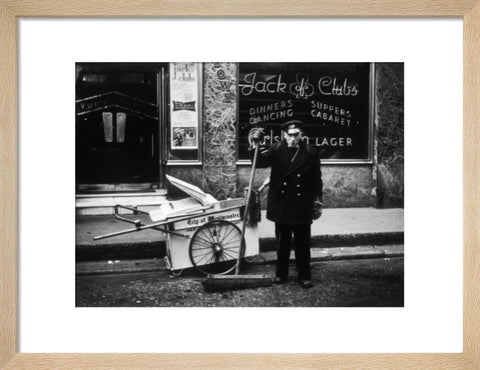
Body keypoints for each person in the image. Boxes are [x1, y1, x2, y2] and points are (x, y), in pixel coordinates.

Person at [249, 120, 323, 288]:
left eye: (296, 134)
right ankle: (280, 274)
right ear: (284, 135)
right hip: (282, 203)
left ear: (301, 134)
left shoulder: (311, 152)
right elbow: (258, 162)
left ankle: (304, 275)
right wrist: (254, 143)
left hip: (302, 203)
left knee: (302, 242)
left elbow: (316, 179)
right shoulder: (276, 149)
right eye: (289, 135)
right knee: (282, 242)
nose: (293, 138)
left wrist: (318, 200)